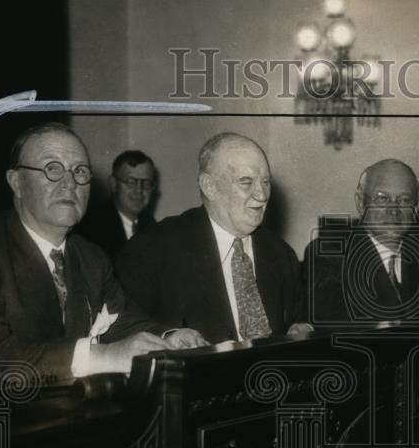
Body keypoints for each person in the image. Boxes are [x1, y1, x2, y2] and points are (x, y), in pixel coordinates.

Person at [0, 123, 206, 385]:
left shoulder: (90, 256)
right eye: (53, 169)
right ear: (16, 182)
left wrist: (169, 337)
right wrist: (101, 357)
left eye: (80, 171)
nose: (70, 183)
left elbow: (124, 322)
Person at [117, 132, 308, 344]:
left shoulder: (282, 255)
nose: (262, 195)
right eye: (246, 182)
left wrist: (301, 330)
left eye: (265, 182)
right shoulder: (154, 248)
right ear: (209, 186)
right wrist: (168, 336)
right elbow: (121, 324)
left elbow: (296, 322)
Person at [303, 159, 419, 325]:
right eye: (382, 199)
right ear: (361, 203)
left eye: (404, 200)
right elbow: (335, 320)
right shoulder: (327, 253)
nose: (393, 210)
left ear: (416, 208)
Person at [77, 149, 157, 259]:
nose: (139, 190)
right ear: (114, 184)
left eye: (146, 183)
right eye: (131, 182)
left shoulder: (152, 226)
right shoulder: (91, 225)